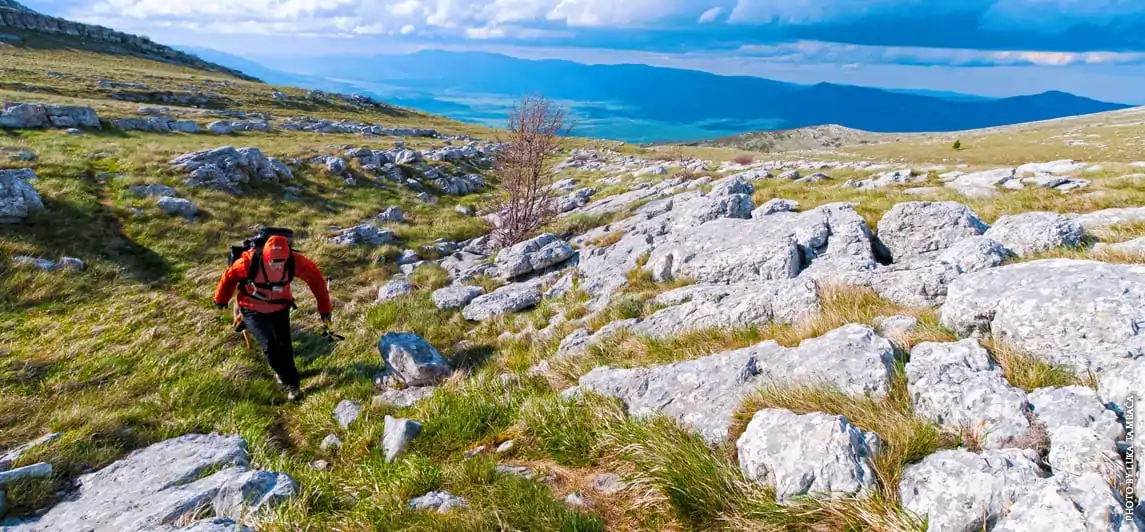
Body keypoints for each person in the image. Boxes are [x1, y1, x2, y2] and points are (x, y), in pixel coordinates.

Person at [213, 235, 332, 402]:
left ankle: (290, 381)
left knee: (285, 346)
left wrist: (325, 309)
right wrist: (221, 299)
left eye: (281, 262)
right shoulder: (248, 262)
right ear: (266, 256)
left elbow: (317, 281)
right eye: (273, 262)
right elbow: (229, 277)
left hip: (280, 307)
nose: (277, 266)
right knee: (270, 345)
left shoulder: (294, 261)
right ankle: (289, 380)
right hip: (252, 308)